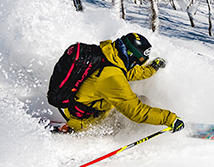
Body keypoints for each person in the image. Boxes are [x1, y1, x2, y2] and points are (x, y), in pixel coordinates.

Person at [56, 32, 185, 134]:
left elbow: (130, 72)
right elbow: (136, 112)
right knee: (138, 105)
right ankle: (74, 127)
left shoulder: (109, 56)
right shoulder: (111, 77)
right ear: (131, 56)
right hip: (87, 121)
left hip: (80, 107)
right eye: (137, 61)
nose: (136, 65)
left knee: (138, 99)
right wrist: (170, 119)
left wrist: (153, 68)